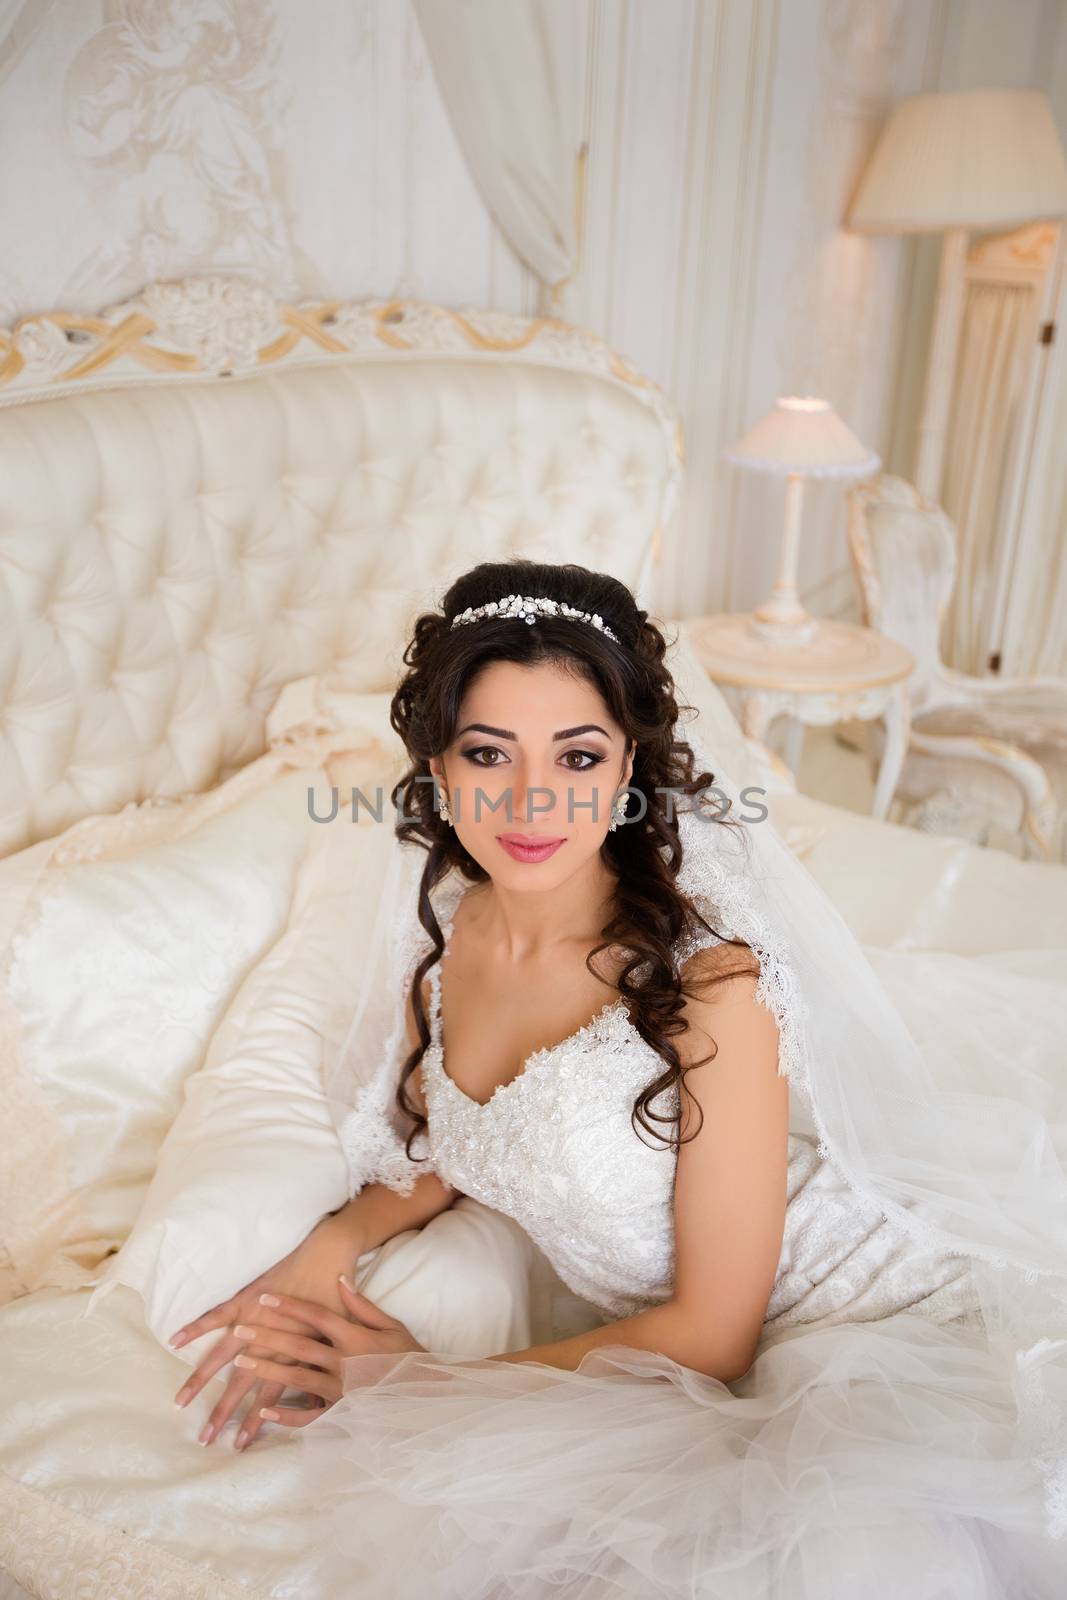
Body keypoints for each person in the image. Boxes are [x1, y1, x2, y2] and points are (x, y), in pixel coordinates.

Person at [168, 560, 1067, 1599]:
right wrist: (331, 1241)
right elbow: (462, 1139)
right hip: (722, 1349)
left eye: (577, 754)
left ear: (629, 767)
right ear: (438, 768)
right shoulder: (452, 941)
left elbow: (713, 1334)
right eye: (487, 753)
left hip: (880, 1326)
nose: (530, 800)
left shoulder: (710, 983)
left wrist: (417, 1382)